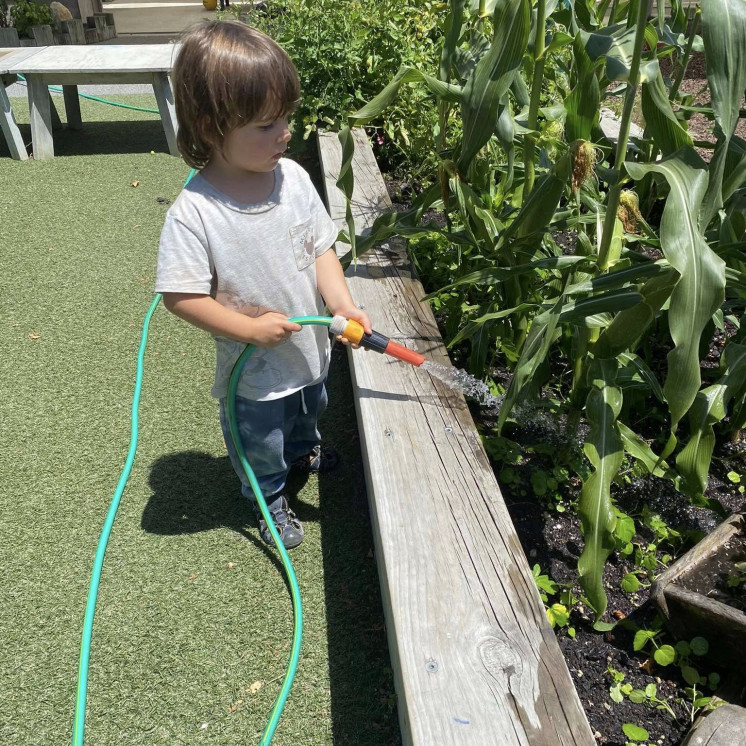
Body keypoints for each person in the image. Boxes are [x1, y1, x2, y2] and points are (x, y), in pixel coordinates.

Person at [155, 20, 371, 549]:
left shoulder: (293, 179)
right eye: (266, 125)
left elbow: (319, 249)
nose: (286, 133)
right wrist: (246, 329)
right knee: (261, 441)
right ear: (209, 126)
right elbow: (180, 297)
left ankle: (305, 450)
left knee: (308, 411)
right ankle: (268, 495)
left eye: (287, 118)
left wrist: (342, 302)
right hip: (253, 373)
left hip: (307, 351)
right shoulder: (196, 213)